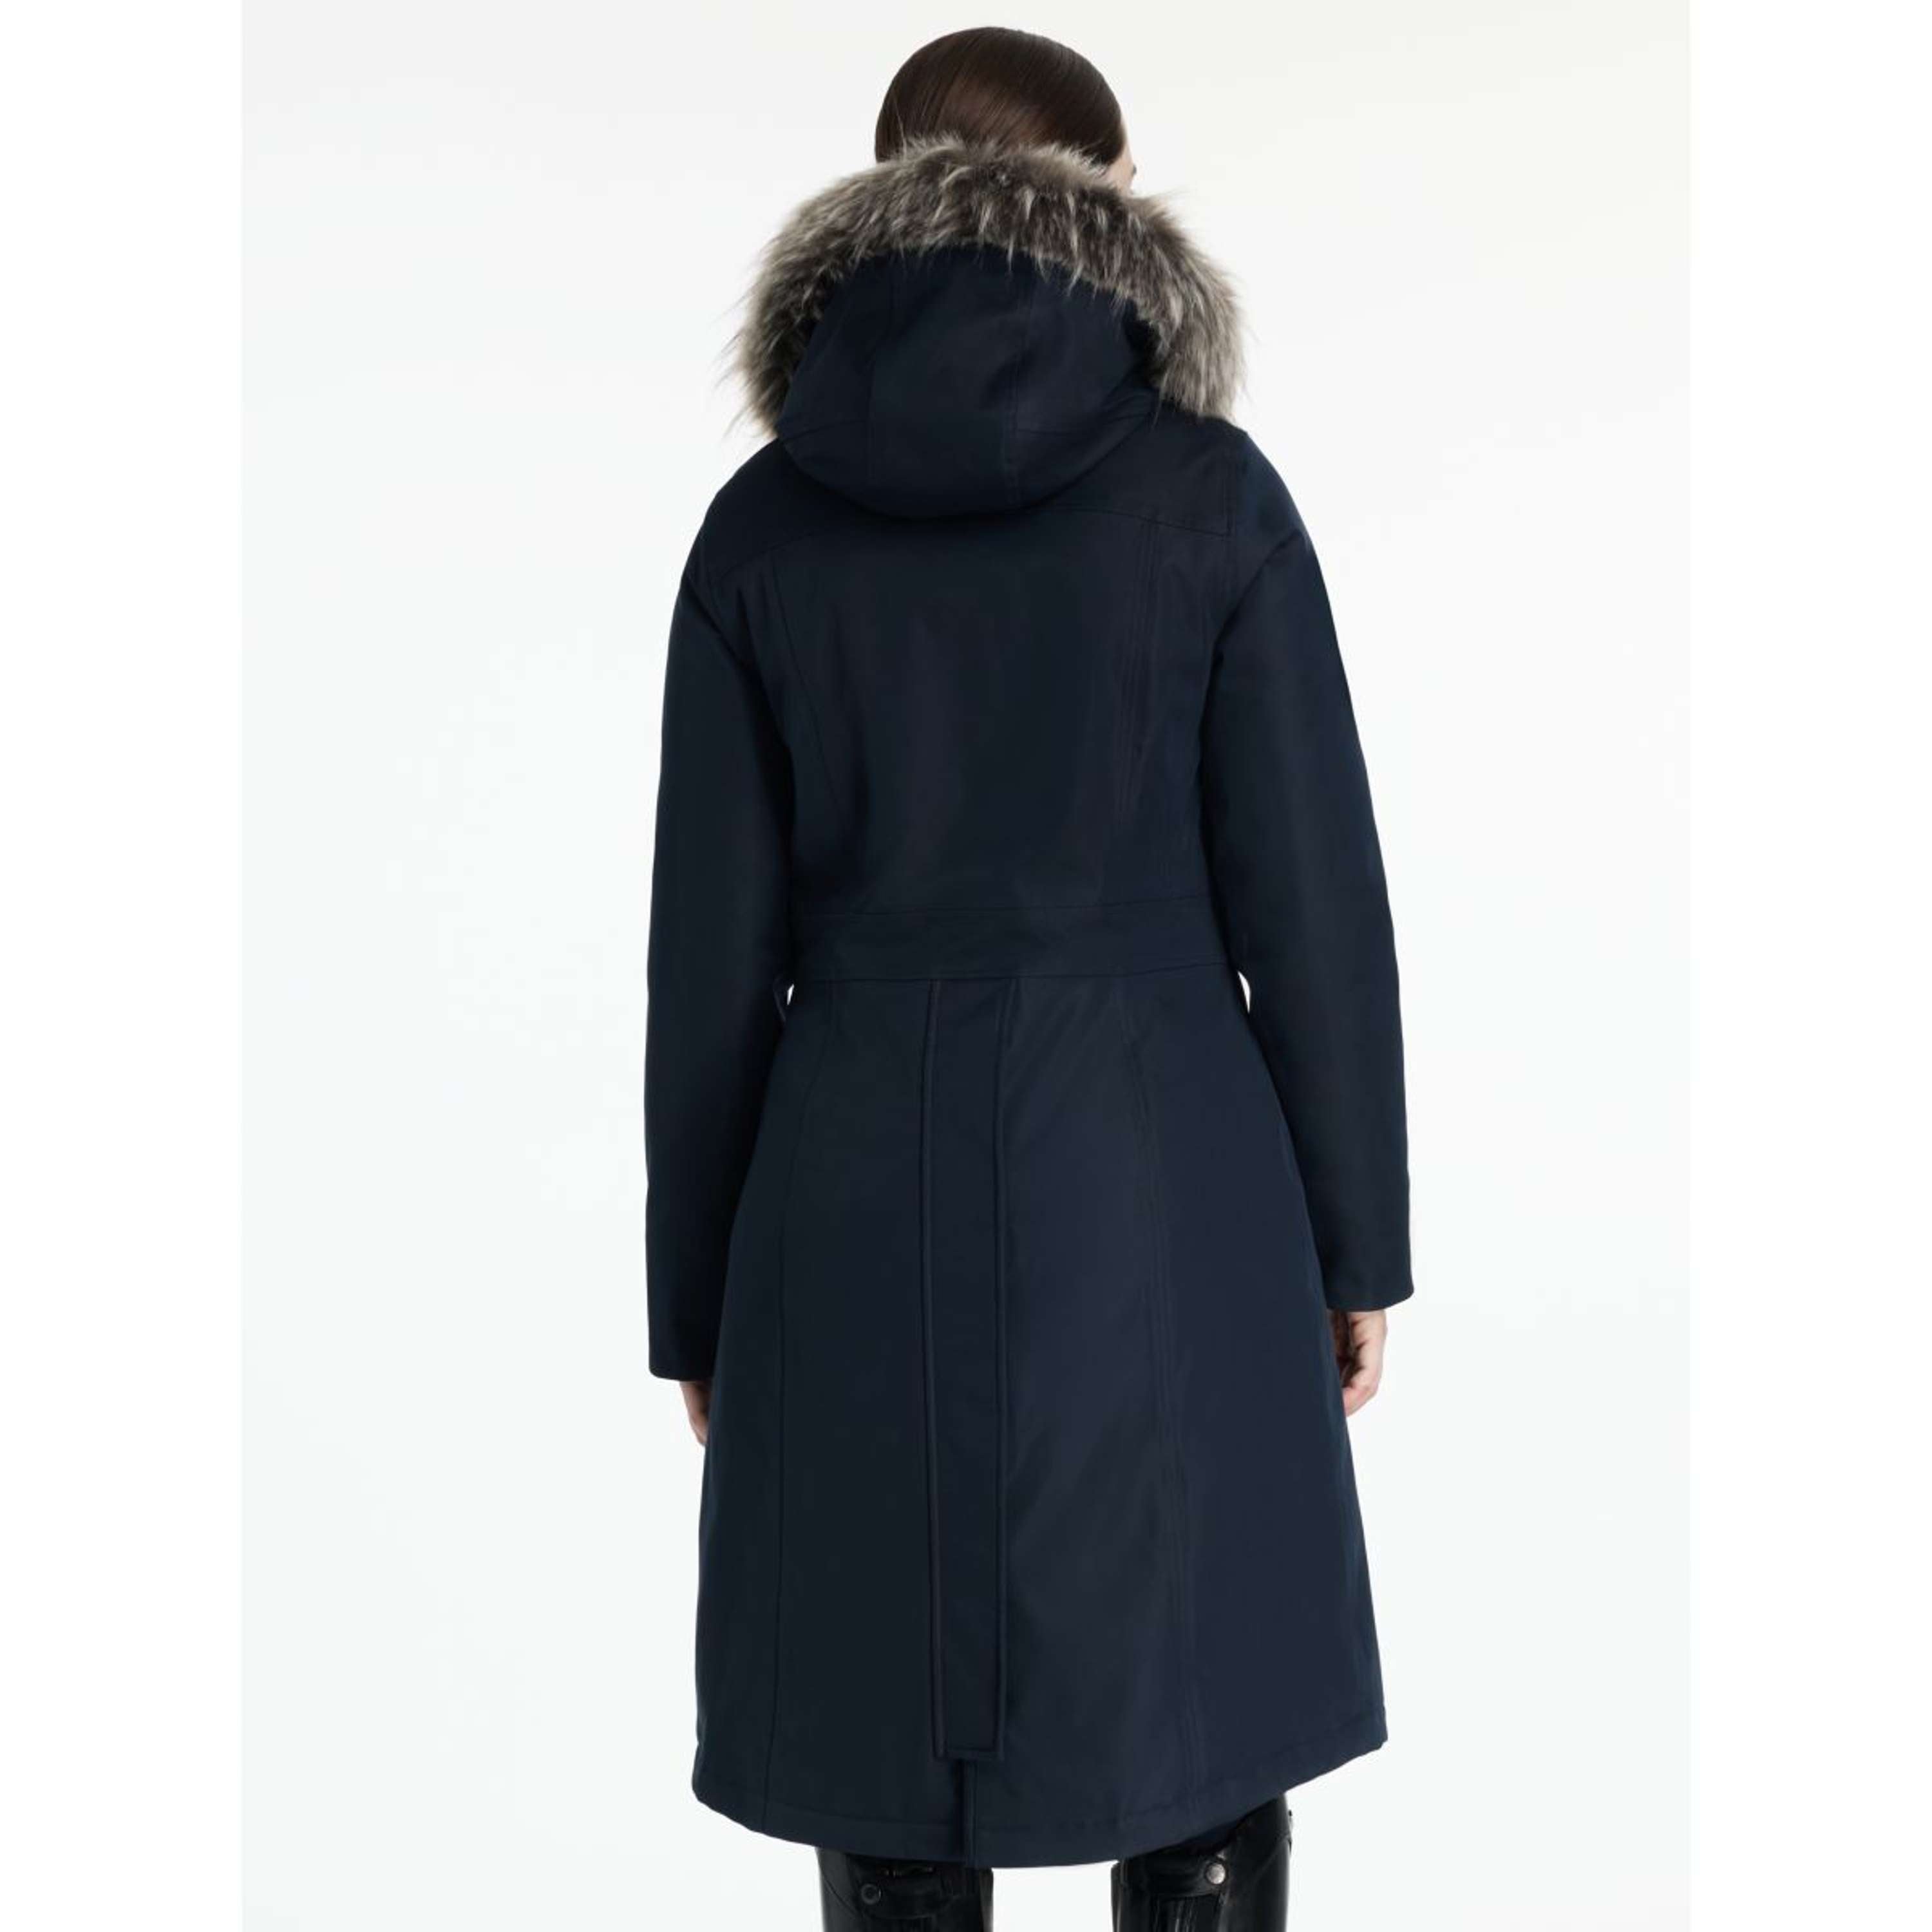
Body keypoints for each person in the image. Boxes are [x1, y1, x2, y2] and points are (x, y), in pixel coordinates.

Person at [644, 26, 1411, 1929]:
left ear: (880, 201)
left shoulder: (764, 528)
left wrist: (700, 1301)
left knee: (879, 1743)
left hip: (846, 1188)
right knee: (1202, 1726)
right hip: (1172, 1169)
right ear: (1112, 199)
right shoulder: (1211, 500)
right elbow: (1311, 902)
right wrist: (1355, 1248)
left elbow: (708, 959)